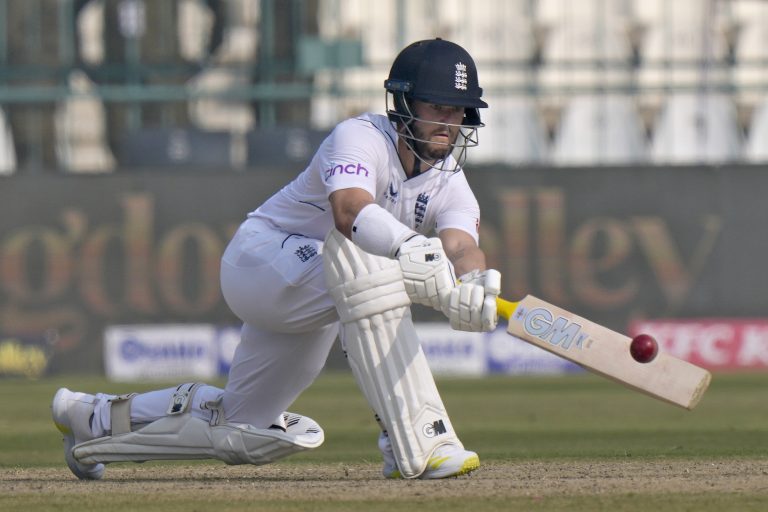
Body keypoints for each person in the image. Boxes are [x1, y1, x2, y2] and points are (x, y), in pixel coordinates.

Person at [52, 38, 502, 480]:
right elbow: (349, 213)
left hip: (318, 293)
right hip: (262, 259)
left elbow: (461, 246)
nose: (449, 121)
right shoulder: (360, 137)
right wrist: (409, 248)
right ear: (403, 101)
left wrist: (473, 283)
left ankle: (92, 420)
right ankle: (421, 439)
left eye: (458, 110)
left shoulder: (449, 179)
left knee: (240, 427)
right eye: (437, 107)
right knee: (372, 265)